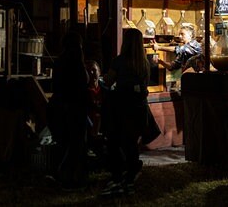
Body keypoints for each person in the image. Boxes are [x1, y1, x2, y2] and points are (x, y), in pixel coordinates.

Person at [100, 28, 151, 196]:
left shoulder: (119, 61)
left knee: (115, 143)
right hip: (139, 109)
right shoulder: (144, 63)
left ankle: (118, 178)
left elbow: (108, 81)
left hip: (121, 109)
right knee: (131, 144)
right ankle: (130, 179)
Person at [48, 31, 90, 190]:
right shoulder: (78, 64)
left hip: (60, 106)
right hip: (76, 108)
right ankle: (74, 177)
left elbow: (56, 86)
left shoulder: (59, 62)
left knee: (65, 143)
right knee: (77, 144)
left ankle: (63, 175)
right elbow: (82, 86)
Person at [85, 60, 104, 155]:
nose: (91, 73)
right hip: (89, 121)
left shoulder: (104, 89)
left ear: (99, 72)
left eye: (94, 70)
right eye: (89, 71)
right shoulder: (84, 91)